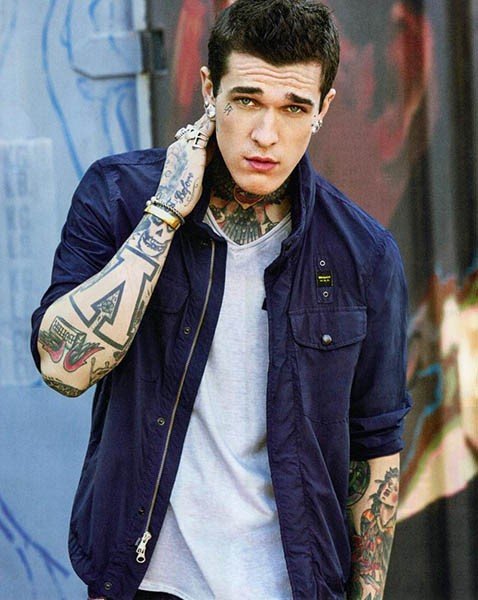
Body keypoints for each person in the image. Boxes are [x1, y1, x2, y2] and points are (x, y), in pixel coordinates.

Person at [31, 1, 411, 599]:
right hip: (145, 582)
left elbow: (375, 451)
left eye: (294, 108)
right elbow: (62, 368)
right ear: (210, 91)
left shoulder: (363, 255)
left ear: (323, 110)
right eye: (247, 100)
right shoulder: (120, 196)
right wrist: (164, 214)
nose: (266, 135)